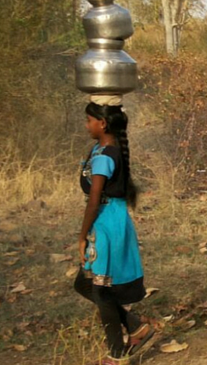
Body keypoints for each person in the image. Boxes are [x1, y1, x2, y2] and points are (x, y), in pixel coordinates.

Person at [75, 102, 156, 364]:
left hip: (106, 224)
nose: (87, 125)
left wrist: (82, 234)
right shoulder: (105, 149)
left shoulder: (104, 156)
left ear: (103, 123)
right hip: (112, 220)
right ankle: (135, 326)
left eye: (90, 120)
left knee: (99, 290)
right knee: (87, 285)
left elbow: (94, 198)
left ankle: (117, 354)